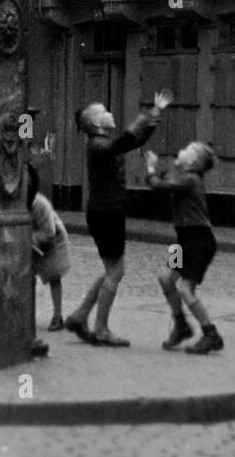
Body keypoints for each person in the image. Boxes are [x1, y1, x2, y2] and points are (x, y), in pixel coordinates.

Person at [64, 89, 173, 347]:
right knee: (116, 271)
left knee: (111, 270)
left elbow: (131, 141)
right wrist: (152, 113)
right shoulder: (101, 145)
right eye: (104, 112)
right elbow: (126, 140)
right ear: (96, 123)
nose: (110, 113)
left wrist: (151, 118)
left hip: (104, 210)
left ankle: (81, 316)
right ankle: (100, 329)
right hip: (107, 212)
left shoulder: (100, 144)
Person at [144, 141, 223, 354]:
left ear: (193, 162)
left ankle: (210, 333)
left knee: (186, 290)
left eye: (186, 150)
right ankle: (181, 325)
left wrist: (151, 168)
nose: (181, 150)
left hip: (198, 240)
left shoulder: (190, 179)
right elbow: (167, 180)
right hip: (184, 240)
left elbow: (160, 186)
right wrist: (161, 171)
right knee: (165, 277)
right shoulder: (184, 176)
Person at [26, 169, 71, 331]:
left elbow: (50, 232)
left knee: (54, 276)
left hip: (53, 240)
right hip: (31, 241)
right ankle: (27, 315)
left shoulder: (40, 204)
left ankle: (58, 316)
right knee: (27, 276)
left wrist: (28, 237)